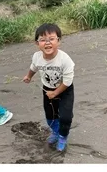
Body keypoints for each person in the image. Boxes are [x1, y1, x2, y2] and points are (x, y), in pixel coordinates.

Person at [23, 23, 75, 153]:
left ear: (58, 41)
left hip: (64, 90)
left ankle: (63, 136)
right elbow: (34, 67)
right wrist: (28, 76)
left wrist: (56, 92)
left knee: (65, 117)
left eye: (51, 39)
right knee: (50, 116)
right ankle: (56, 132)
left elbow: (68, 81)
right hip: (47, 89)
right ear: (37, 43)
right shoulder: (37, 57)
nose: (47, 43)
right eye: (42, 40)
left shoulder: (65, 60)